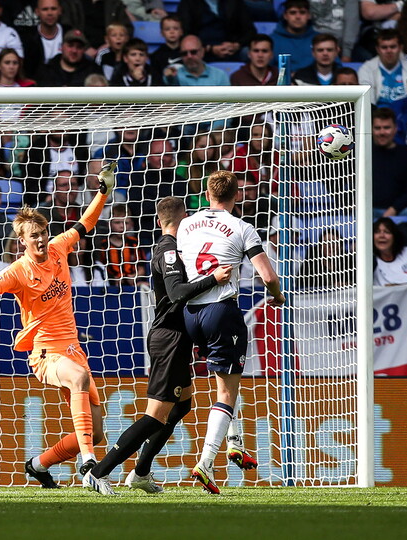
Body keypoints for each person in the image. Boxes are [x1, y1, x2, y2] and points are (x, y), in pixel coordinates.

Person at [0, 163, 118, 488]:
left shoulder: (58, 247)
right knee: (79, 378)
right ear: (21, 241)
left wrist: (103, 191)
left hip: (74, 348)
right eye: (33, 236)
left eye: (42, 233)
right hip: (46, 351)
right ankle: (89, 464)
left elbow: (86, 222)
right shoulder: (17, 271)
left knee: (97, 430)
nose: (40, 240)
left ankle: (38, 464)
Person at [82, 196, 232, 494]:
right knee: (155, 416)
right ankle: (98, 473)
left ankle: (141, 471)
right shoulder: (168, 251)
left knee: (183, 404)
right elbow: (177, 292)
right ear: (185, 219)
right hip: (169, 338)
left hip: (178, 337)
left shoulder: (177, 249)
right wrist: (213, 279)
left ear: (157, 220)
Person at [177, 169, 285, 494]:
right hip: (221, 311)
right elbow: (266, 275)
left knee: (223, 382)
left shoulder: (185, 225)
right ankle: (206, 462)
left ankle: (234, 441)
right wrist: (277, 296)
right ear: (237, 196)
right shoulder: (243, 228)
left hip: (188, 312)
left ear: (206, 194)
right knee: (227, 389)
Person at [371, 107, 407, 218]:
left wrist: (393, 210)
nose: (382, 132)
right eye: (377, 128)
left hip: (397, 212)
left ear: (395, 129)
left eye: (386, 128)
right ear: (371, 129)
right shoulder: (360, 154)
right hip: (366, 211)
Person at [177, 0, 255, 62]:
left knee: (255, 54)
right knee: (189, 54)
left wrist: (236, 45)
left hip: (232, 49)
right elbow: (184, 34)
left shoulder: (234, 2)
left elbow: (250, 30)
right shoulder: (188, 3)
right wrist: (210, 48)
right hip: (203, 50)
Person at [358, 29, 407, 107]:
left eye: (393, 47)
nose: (389, 51)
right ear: (377, 49)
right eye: (384, 47)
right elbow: (368, 104)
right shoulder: (366, 69)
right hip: (378, 115)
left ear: (400, 48)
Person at [15, 0, 67, 79]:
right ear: (37, 12)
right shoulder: (28, 38)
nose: (49, 13)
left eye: (53, 9)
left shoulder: (68, 34)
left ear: (60, 10)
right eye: (45, 9)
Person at [35, 28, 100, 86]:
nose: (74, 51)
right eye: (70, 46)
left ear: (83, 50)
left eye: (79, 47)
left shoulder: (93, 70)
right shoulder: (47, 71)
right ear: (62, 47)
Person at [162, 35, 230, 86]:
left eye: (193, 52)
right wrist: (170, 78)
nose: (189, 56)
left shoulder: (220, 76)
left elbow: (228, 104)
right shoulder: (174, 76)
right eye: (184, 53)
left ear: (202, 52)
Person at [373, 216, 407, 285]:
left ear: (395, 237)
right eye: (377, 232)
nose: (382, 235)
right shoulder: (370, 258)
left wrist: (395, 288)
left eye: (387, 232)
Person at [270, 0, 316, 70]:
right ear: (285, 16)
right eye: (293, 13)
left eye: (302, 12)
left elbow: (336, 69)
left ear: (309, 15)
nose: (298, 17)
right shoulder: (271, 41)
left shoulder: (320, 40)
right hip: (282, 80)